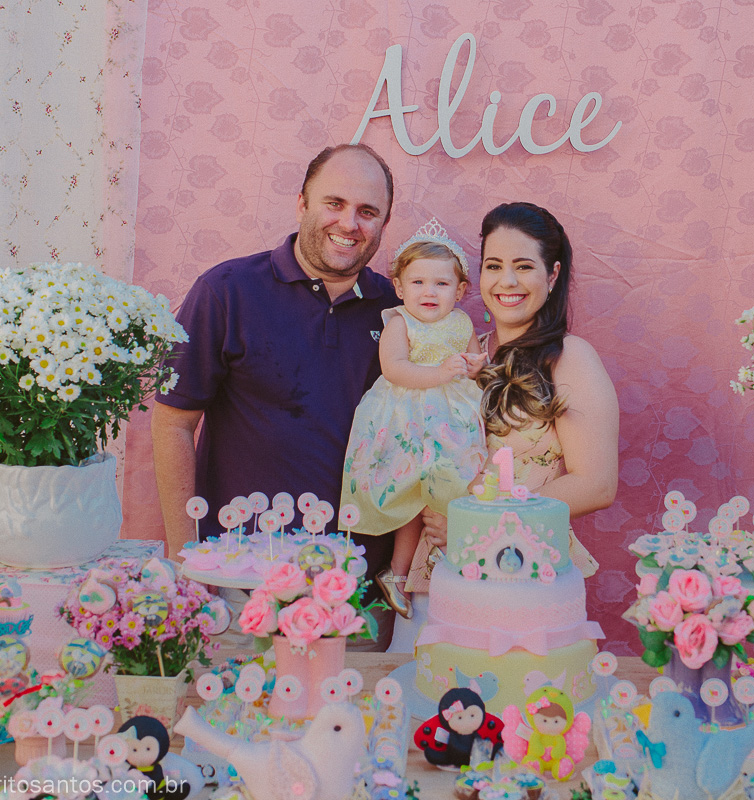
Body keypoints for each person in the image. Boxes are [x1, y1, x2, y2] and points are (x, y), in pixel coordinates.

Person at [151, 144, 400, 642]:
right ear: (302, 203)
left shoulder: (397, 312)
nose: (350, 223)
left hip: (356, 594)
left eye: (368, 212)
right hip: (241, 583)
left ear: (383, 223)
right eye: (334, 203)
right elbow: (172, 424)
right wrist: (191, 567)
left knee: (351, 720)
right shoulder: (227, 290)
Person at [390, 201, 619, 651]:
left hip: (518, 576)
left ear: (552, 276)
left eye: (523, 266)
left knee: (510, 706)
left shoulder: (569, 359)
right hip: (435, 574)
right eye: (493, 266)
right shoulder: (466, 353)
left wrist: (477, 523)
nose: (506, 282)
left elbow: (596, 485)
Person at [340, 219, 488, 618]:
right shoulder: (399, 323)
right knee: (413, 495)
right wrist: (440, 373)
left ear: (459, 291)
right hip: (407, 420)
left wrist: (475, 365)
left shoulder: (461, 323)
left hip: (451, 424)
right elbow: (394, 369)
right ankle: (399, 572)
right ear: (400, 288)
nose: (429, 292)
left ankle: (445, 573)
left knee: (450, 492)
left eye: (441, 284)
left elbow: (474, 363)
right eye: (418, 283)